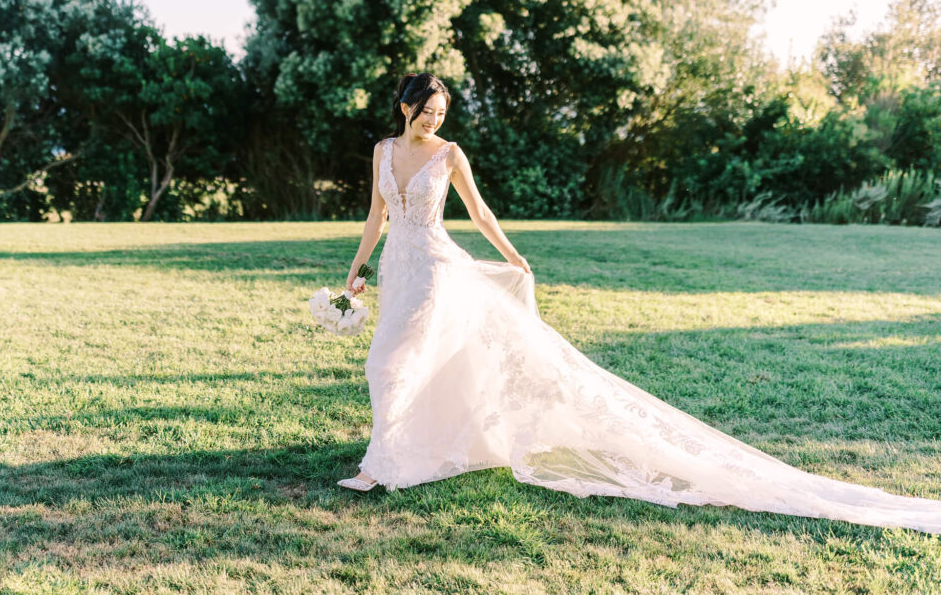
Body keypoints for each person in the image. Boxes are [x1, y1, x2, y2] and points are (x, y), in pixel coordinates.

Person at [335, 71, 941, 535]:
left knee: (389, 362)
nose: (432, 123)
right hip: (398, 266)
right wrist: (356, 270)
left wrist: (513, 255)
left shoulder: (450, 154)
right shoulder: (385, 151)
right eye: (425, 113)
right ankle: (412, 448)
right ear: (405, 107)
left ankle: (380, 464)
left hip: (439, 268)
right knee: (408, 361)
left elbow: (481, 213)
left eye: (441, 114)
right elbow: (376, 215)